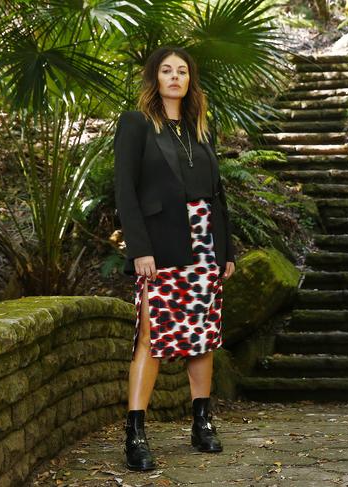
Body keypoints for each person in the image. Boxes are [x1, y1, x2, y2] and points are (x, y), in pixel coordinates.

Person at [114, 46, 236, 471]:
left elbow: (218, 194)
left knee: (202, 335)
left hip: (205, 244)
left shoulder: (201, 126)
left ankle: (201, 423)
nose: (174, 77)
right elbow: (125, 191)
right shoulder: (136, 124)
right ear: (154, 78)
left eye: (181, 71)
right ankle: (135, 432)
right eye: (166, 70)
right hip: (161, 245)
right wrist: (139, 248)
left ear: (190, 80)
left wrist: (227, 250)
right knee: (152, 335)